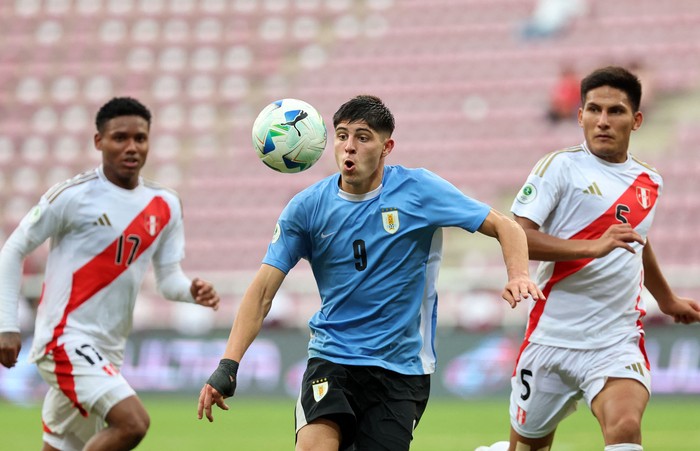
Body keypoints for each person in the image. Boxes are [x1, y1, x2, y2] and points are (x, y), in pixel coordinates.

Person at [197, 94, 544, 450]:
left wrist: (518, 274)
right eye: (343, 136)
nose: (349, 147)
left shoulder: (419, 190)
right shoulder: (306, 209)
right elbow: (262, 293)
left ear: (386, 146)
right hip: (332, 358)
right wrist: (228, 365)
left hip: (400, 368)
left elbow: (506, 226)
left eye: (363, 137)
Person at [479, 66, 700, 451]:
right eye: (593, 110)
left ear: (637, 120)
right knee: (528, 448)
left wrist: (666, 299)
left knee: (626, 427)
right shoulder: (559, 167)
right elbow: (516, 235)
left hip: (616, 339)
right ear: (579, 115)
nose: (603, 121)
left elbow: (637, 242)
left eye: (615, 111)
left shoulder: (649, 181)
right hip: (551, 337)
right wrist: (591, 246)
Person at [0, 97, 220, 451]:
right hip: (64, 339)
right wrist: (6, 326)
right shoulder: (73, 196)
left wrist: (190, 291)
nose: (132, 147)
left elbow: (167, 279)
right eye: (120, 138)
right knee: (133, 423)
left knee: (62, 446)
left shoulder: (165, 204)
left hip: (107, 349)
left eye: (140, 138)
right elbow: (12, 251)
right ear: (98, 141)